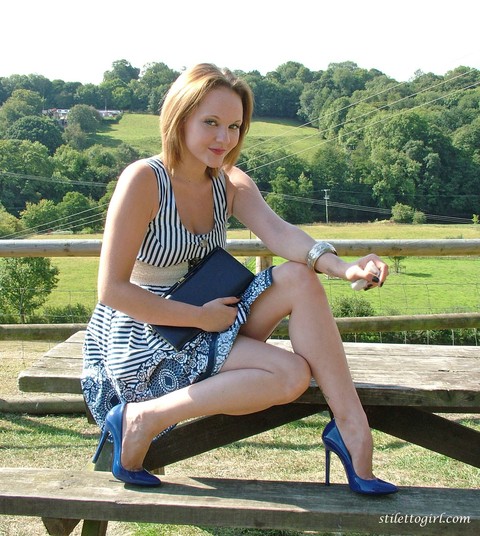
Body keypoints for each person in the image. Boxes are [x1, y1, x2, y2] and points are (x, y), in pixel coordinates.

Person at [82, 63, 397, 494]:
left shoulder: (228, 182)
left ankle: (352, 428)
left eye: (234, 126)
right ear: (180, 118)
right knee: (290, 376)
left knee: (300, 279)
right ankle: (140, 418)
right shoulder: (145, 180)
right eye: (210, 123)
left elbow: (281, 233)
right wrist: (197, 317)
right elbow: (111, 291)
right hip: (145, 335)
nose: (224, 139)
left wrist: (345, 269)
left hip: (209, 316)